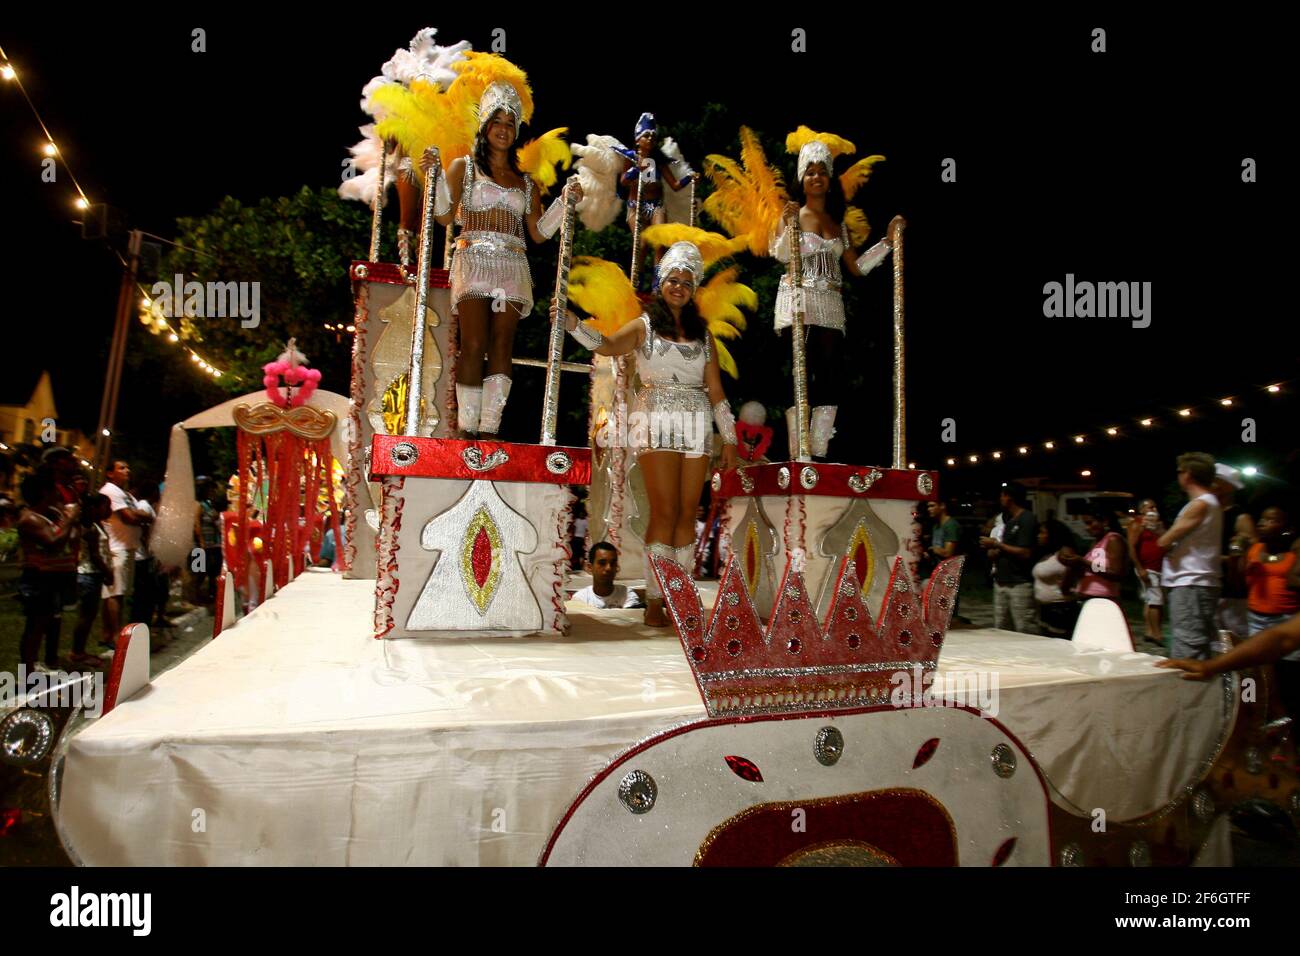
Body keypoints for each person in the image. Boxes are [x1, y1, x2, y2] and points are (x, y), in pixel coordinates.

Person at [554, 240, 739, 626]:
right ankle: (656, 600)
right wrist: (574, 325)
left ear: (693, 291)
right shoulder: (645, 325)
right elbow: (607, 344)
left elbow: (716, 391)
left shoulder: (703, 336)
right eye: (673, 280)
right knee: (665, 511)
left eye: (687, 283)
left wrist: (731, 440)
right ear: (661, 283)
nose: (679, 287)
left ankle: (681, 597)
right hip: (656, 420)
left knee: (689, 512)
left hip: (697, 423)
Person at [431, 78, 581, 438]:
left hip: (512, 265)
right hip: (473, 260)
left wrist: (564, 202)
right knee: (474, 343)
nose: (504, 129)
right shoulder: (463, 168)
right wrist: (434, 177)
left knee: (502, 344)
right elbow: (443, 217)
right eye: (497, 122)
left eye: (510, 123)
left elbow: (538, 233)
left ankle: (490, 430)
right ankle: (465, 431)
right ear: (485, 126)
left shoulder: (526, 182)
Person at [771, 133, 892, 459]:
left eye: (822, 171)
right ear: (802, 178)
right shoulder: (792, 214)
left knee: (831, 378)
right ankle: (799, 451)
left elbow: (856, 268)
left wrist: (887, 243)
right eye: (810, 171)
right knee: (800, 373)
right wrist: (787, 225)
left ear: (829, 178)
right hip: (797, 302)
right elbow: (781, 254)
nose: (816, 177)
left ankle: (819, 450)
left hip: (831, 305)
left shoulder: (838, 223)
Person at [1157, 612, 1300, 720]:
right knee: (1251, 684)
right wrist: (1211, 666)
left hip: (1269, 620)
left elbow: (1282, 638)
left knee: (1256, 688)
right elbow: (1281, 638)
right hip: (1258, 621)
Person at [1158, 452, 1223, 660]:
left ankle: (1188, 692)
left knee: (1188, 648)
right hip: (1198, 582)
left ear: (1188, 475)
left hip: (1191, 582)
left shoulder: (1200, 504)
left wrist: (1159, 535)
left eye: (1179, 471)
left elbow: (1165, 541)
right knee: (1196, 643)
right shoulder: (1210, 502)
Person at [16, 471, 80, 672]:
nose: (58, 493)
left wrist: (67, 518)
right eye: (54, 489)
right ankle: (27, 672)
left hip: (53, 578)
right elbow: (53, 543)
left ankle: (37, 665)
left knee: (48, 623)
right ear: (45, 492)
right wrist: (70, 519)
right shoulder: (31, 519)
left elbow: (72, 535)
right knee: (35, 626)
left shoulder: (49, 514)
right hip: (38, 578)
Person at [619, 113, 693, 280]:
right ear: (638, 139)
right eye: (647, 135)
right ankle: (635, 282)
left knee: (660, 242)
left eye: (653, 135)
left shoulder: (658, 159)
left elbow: (674, 186)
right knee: (641, 243)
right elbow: (623, 181)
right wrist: (635, 170)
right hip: (635, 205)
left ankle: (656, 287)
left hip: (656, 205)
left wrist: (690, 178)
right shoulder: (630, 157)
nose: (651, 138)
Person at [99, 459, 152, 649]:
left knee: (118, 592)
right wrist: (145, 517)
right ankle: (114, 635)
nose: (127, 470)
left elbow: (137, 513)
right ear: (110, 473)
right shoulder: (111, 491)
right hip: (117, 548)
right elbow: (129, 517)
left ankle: (108, 633)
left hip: (128, 547)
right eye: (121, 468)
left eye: (127, 467)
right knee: (116, 593)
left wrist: (141, 516)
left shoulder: (125, 493)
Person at [979, 483, 1039, 633]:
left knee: (1024, 629)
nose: (1001, 499)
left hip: (1019, 583)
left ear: (1009, 497)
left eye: (1002, 495)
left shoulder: (1027, 518)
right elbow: (1006, 548)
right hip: (1001, 580)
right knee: (1002, 628)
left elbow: (1025, 552)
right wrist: (993, 550)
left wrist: (996, 544)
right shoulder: (1010, 521)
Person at [1213, 463, 1255, 639]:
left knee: (1236, 633)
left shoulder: (1240, 517)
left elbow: (1252, 549)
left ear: (1228, 486)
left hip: (1232, 589)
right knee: (1216, 636)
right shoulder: (1210, 512)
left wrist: (1224, 558)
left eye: (1215, 481)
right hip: (1212, 584)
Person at [70, 493, 112, 667]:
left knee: (88, 615)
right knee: (86, 616)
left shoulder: (95, 525)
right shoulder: (90, 528)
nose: (109, 510)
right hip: (89, 574)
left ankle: (80, 651)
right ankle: (77, 652)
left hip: (92, 574)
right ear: (94, 508)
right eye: (105, 506)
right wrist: (108, 572)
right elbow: (94, 555)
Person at [1061, 504, 1127, 601]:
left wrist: (1083, 562)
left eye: (1090, 523)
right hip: (1086, 597)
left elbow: (1116, 573)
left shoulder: (1113, 539)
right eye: (1085, 524)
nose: (1087, 528)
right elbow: (1091, 570)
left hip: (1103, 599)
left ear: (1105, 521)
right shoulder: (1096, 542)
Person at [1032, 519, 1082, 638]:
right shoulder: (1047, 554)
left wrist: (1066, 584)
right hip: (1045, 609)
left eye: (1042, 533)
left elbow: (1074, 571)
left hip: (1060, 608)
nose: (1039, 536)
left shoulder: (1065, 552)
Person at [1127, 498, 1166, 642]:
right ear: (1142, 510)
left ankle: (1149, 632)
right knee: (1156, 601)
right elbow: (1131, 547)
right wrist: (1140, 568)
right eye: (1150, 507)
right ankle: (1158, 634)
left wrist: (1158, 529)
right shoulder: (1136, 524)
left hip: (1157, 567)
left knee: (1150, 600)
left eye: (1155, 507)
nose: (1153, 510)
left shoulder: (1157, 525)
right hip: (1147, 568)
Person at [571, 541, 643, 609]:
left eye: (612, 563)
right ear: (590, 567)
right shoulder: (580, 599)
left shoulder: (627, 595)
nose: (608, 568)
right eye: (602, 563)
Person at [193, 478, 223, 602]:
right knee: (199, 571)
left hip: (214, 543)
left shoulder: (210, 504)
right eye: (209, 489)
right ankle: (195, 596)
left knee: (214, 571)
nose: (212, 491)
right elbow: (196, 524)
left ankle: (212, 594)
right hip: (202, 544)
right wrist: (201, 542)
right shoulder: (198, 505)